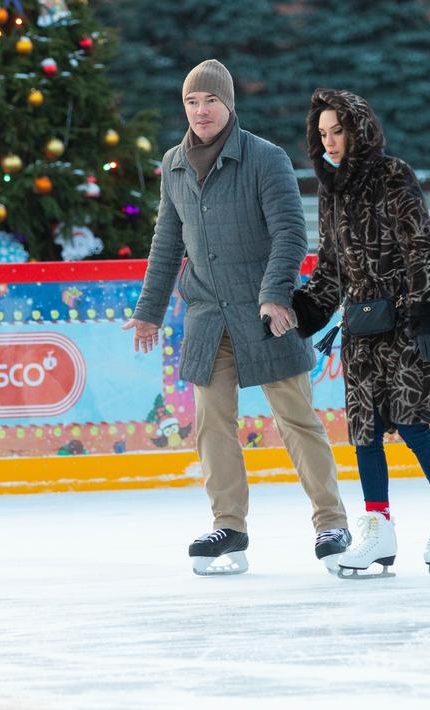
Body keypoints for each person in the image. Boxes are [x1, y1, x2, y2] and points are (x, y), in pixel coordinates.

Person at [123, 60, 350, 576]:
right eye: (191, 102)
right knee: (211, 424)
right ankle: (229, 525)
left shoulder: (264, 159)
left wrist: (275, 296)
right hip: (206, 315)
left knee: (296, 419)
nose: (200, 111)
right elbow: (166, 243)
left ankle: (331, 522)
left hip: (265, 312)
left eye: (210, 101)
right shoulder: (174, 163)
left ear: (228, 105)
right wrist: (149, 312)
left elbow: (290, 233)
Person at [292, 90, 430, 578]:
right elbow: (330, 267)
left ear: (358, 129)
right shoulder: (330, 188)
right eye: (322, 134)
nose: (329, 142)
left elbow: (421, 247)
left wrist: (429, 310)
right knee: (365, 432)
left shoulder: (394, 175)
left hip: (408, 319)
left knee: (411, 424)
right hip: (363, 326)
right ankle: (379, 530)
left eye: (337, 131)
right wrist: (303, 311)